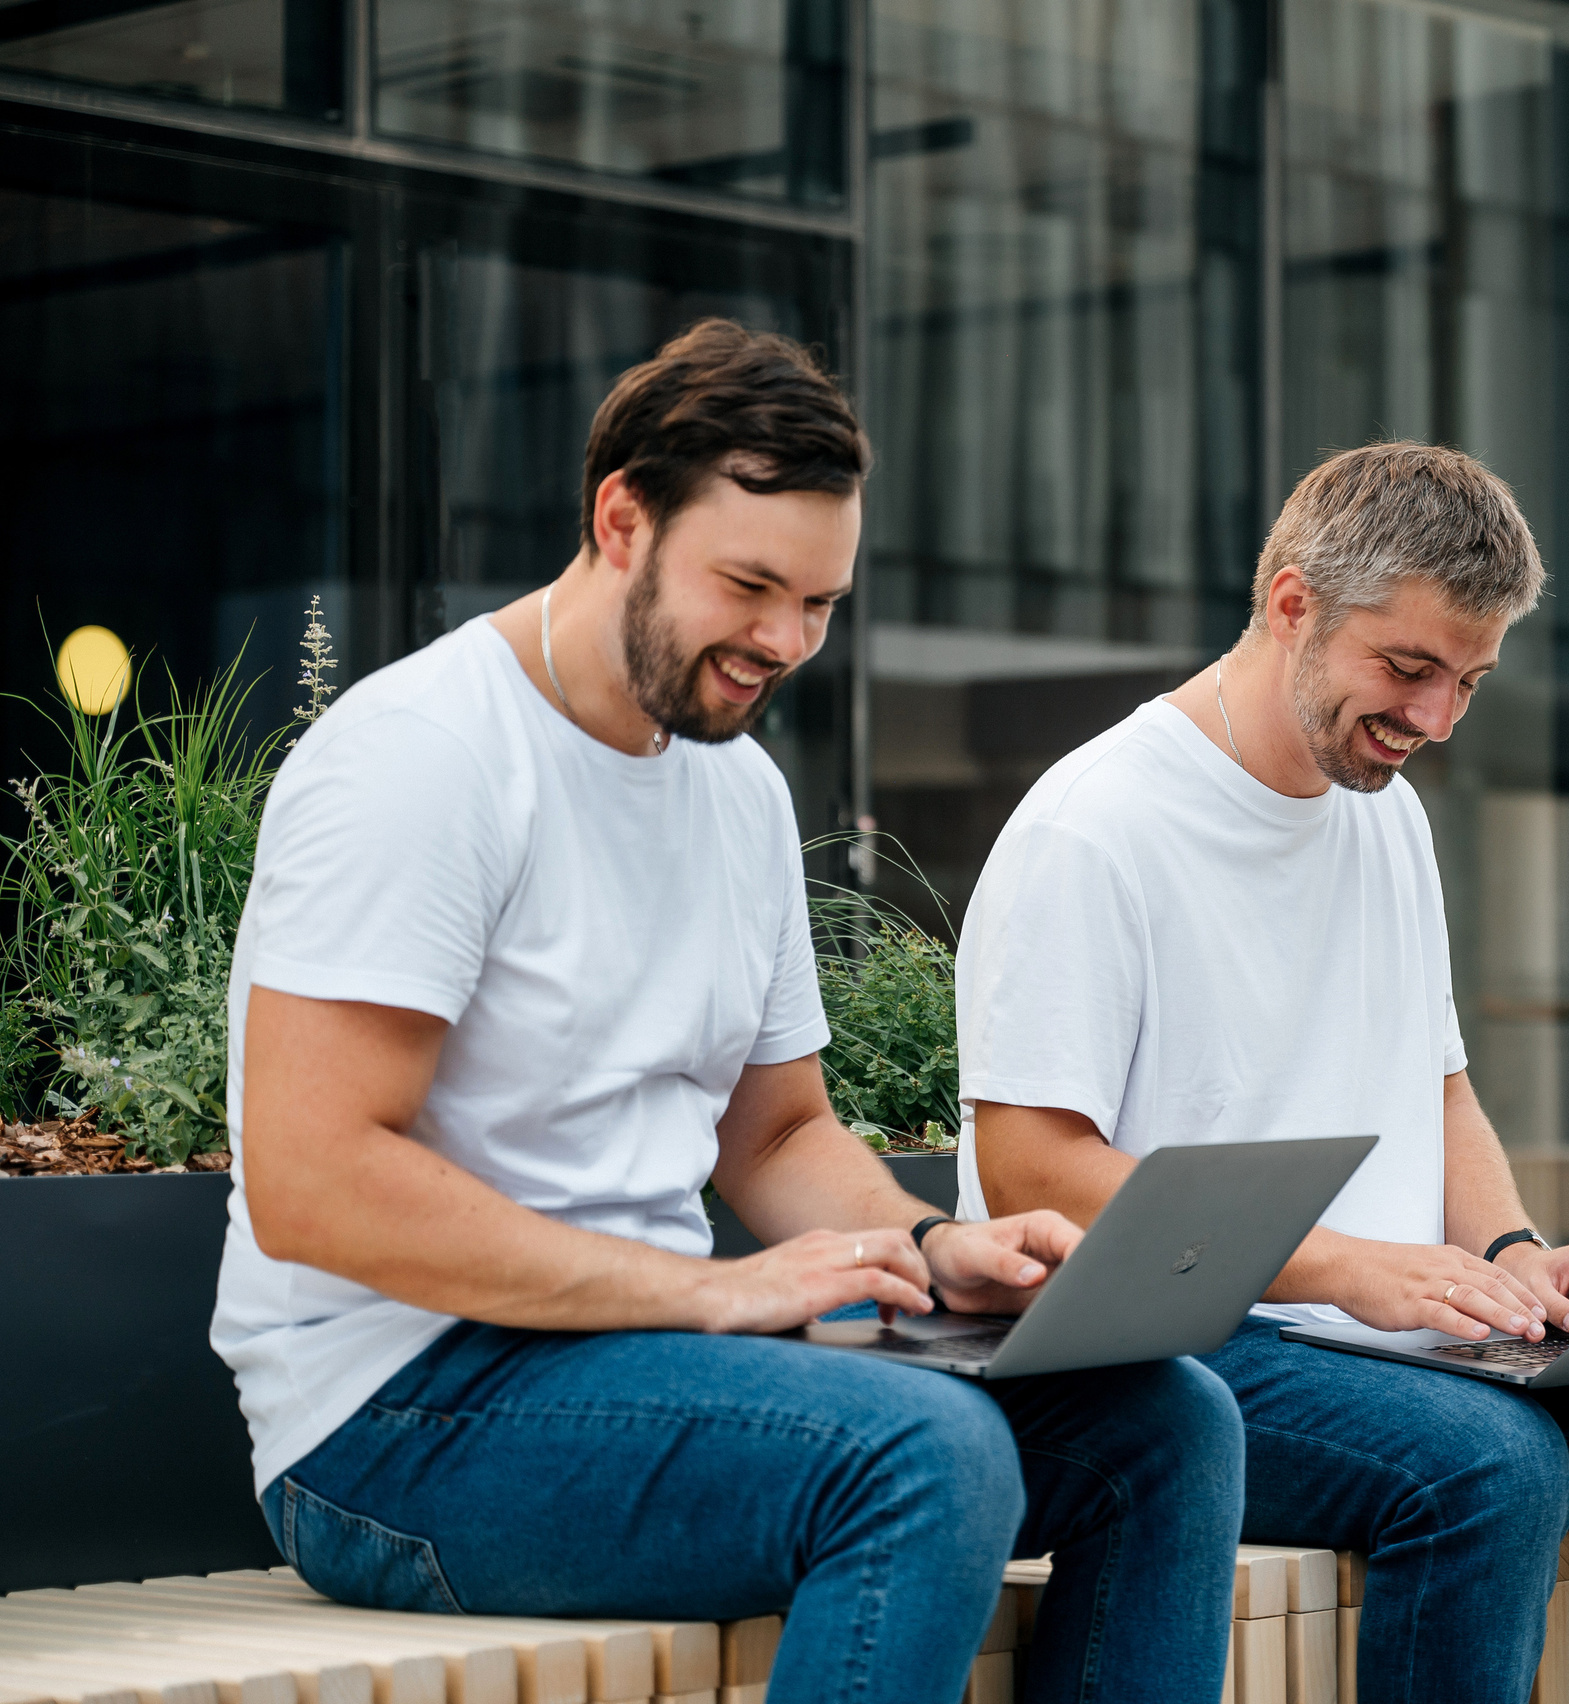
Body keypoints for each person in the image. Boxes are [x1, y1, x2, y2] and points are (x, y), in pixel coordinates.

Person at [212, 320, 1244, 1704]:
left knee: (1168, 1425)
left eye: (820, 604)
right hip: (396, 1419)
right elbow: (314, 1184)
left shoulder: (738, 790)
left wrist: (936, 1249)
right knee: (923, 1462)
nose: (785, 641)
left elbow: (771, 1139)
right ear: (620, 520)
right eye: (751, 585)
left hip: (634, 1360)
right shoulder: (423, 761)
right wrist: (712, 1294)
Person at [961, 442, 1569, 1704]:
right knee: (1488, 1467)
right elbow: (1032, 1169)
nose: (1435, 719)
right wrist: (1350, 1270)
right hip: (1177, 1348)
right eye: (1407, 668)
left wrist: (1516, 1253)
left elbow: (1439, 1084)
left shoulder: (1385, 815)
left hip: (1383, 1341)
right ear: (1291, 602)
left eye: (1468, 680)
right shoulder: (1096, 828)